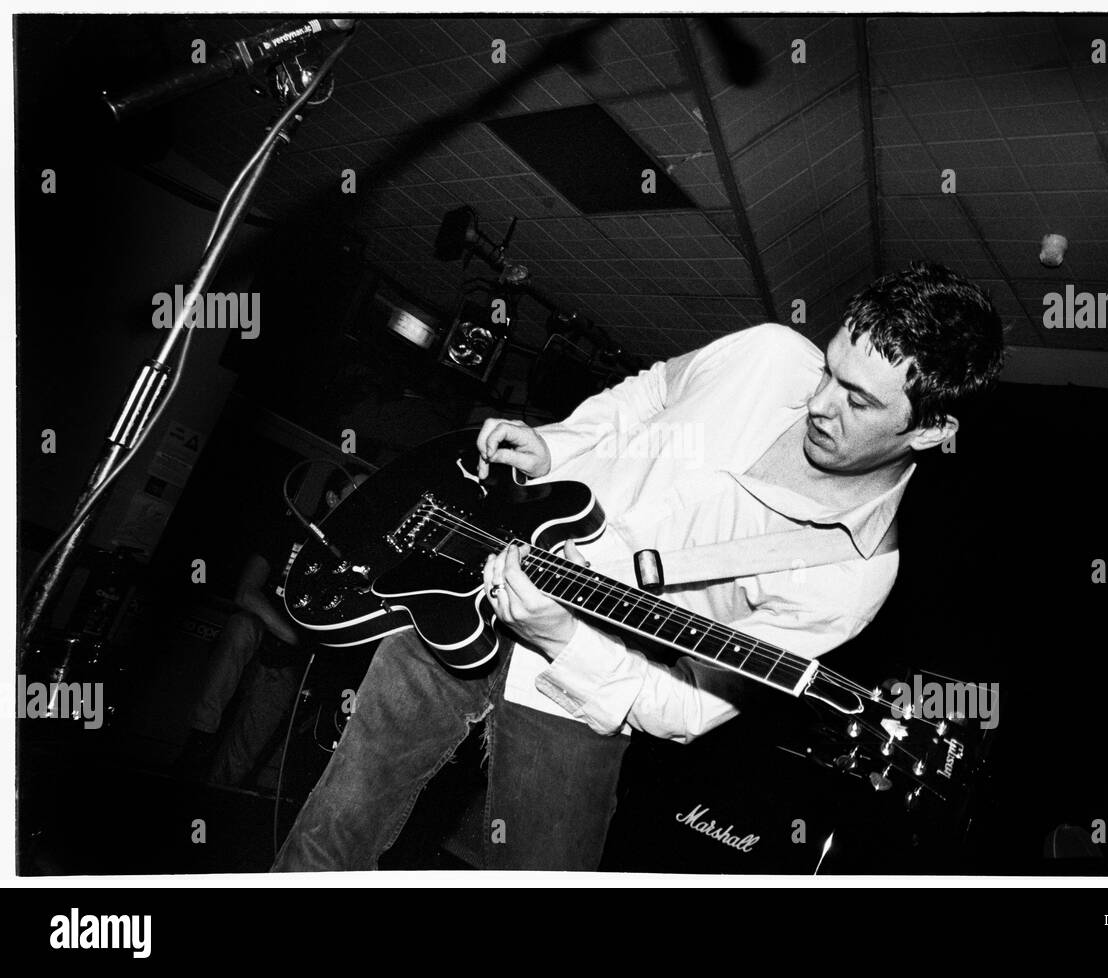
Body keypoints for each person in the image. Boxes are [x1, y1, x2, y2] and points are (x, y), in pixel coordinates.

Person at [272, 261, 1005, 871]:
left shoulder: (852, 576)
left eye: (857, 400)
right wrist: (559, 444)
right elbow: (653, 388)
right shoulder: (772, 355)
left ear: (933, 429)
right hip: (463, 583)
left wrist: (563, 637)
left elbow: (688, 709)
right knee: (327, 836)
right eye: (830, 368)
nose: (818, 403)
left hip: (576, 692)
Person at [176, 466, 367, 787]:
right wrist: (292, 634)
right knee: (241, 626)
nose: (364, 501)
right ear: (333, 498)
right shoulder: (289, 530)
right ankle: (200, 734)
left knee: (242, 755)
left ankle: (209, 802)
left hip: (290, 662)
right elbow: (246, 592)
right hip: (263, 632)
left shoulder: (353, 555)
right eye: (355, 492)